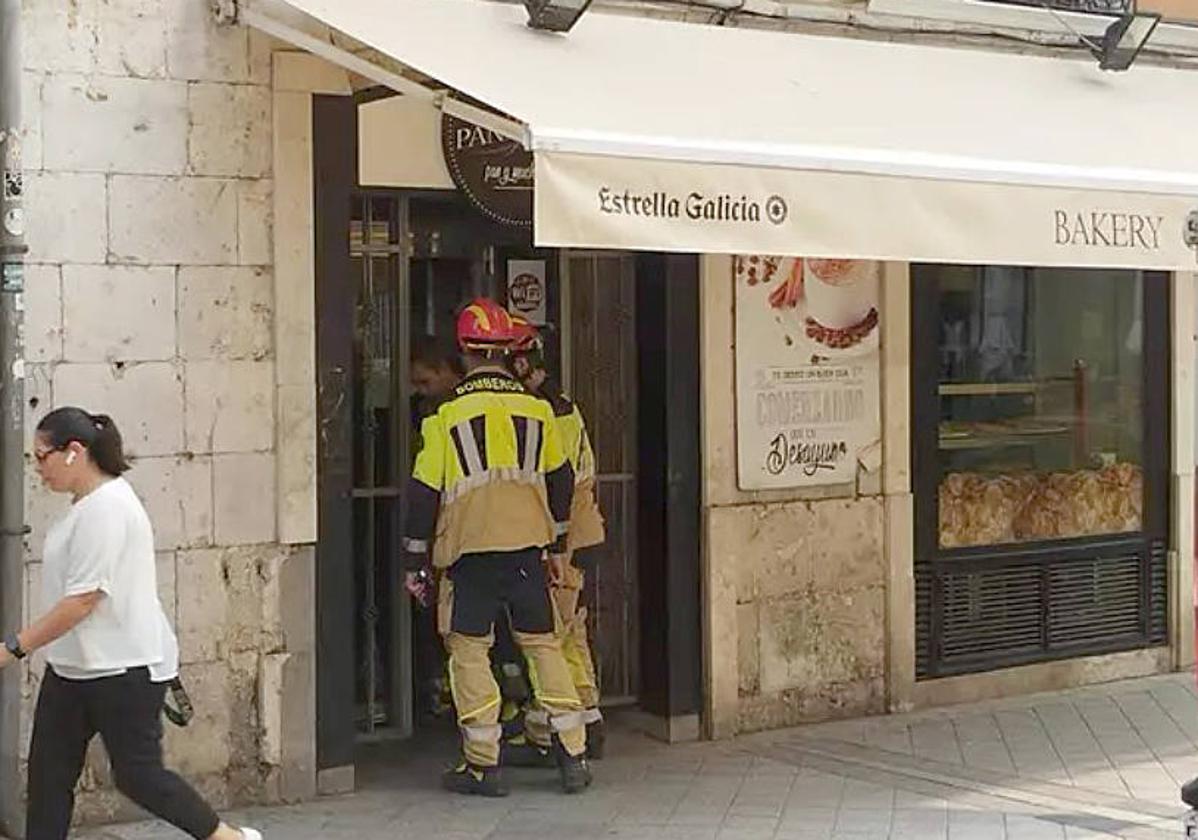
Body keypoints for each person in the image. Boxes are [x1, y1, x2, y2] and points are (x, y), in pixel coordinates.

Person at [0, 407, 260, 840]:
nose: (36, 469)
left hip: (122, 669)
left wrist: (13, 648)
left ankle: (227, 838)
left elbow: (82, 601)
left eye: (41, 457)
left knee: (138, 775)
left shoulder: (109, 508)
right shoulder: (83, 506)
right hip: (71, 668)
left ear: (74, 452)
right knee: (48, 780)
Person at [403, 297, 591, 797]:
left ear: (464, 351)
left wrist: (413, 560)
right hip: (529, 551)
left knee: (468, 651)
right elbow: (561, 480)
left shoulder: (446, 417)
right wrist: (556, 544)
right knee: (544, 646)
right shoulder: (536, 410)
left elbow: (423, 493)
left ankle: (484, 765)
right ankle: (573, 754)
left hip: (470, 555)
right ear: (507, 350)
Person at [502, 317, 607, 764]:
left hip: (564, 533)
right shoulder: (560, 403)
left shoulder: (547, 410)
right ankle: (589, 716)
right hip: (581, 530)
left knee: (553, 633)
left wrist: (551, 545)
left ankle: (553, 731)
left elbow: (556, 482)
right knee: (570, 630)